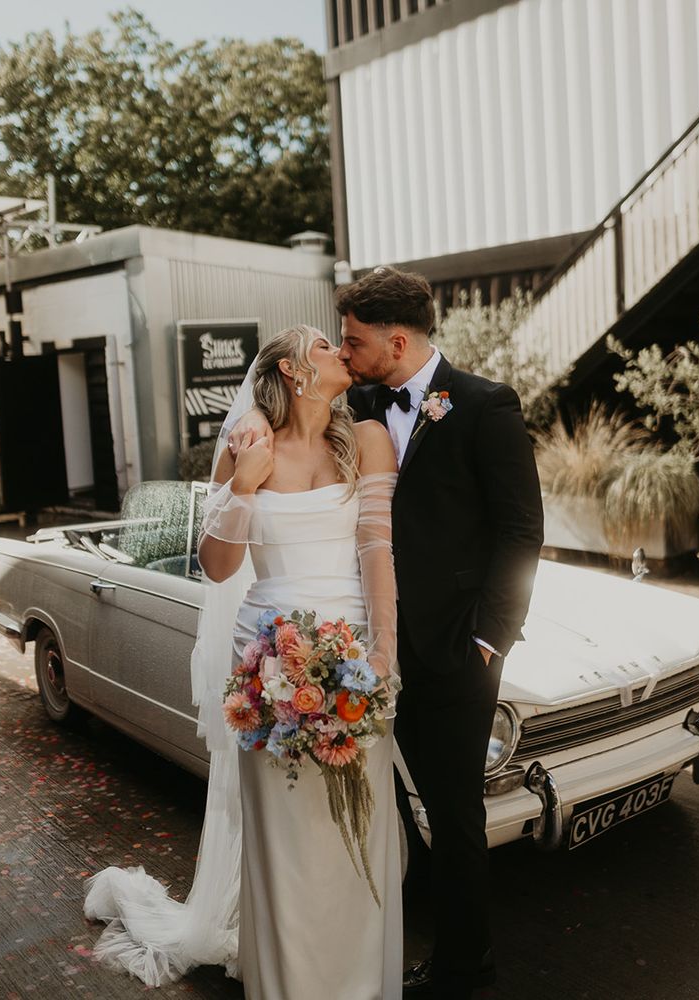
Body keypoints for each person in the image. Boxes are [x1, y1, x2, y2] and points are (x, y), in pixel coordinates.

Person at [230, 268, 544, 999]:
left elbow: (520, 530)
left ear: (396, 340)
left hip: (451, 654)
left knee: (454, 817)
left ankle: (467, 969)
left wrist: (489, 640)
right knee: (378, 814)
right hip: (349, 651)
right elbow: (290, 420)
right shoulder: (359, 401)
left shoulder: (482, 405)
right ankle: (369, 954)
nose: (344, 351)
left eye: (355, 340)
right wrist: (253, 425)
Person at [84, 324, 403, 1000]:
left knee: (359, 825)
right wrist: (245, 486)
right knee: (285, 834)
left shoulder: (368, 439)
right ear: (291, 369)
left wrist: (384, 652)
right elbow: (218, 566)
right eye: (325, 345)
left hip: (354, 659)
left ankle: (360, 985)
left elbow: (378, 551)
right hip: (267, 656)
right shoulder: (249, 447)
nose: (342, 352)